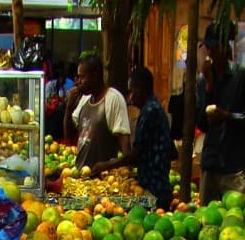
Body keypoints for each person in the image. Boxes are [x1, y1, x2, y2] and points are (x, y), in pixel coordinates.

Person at [195, 21, 245, 203]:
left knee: (234, 220)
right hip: (211, 163)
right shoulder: (203, 81)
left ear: (225, 47)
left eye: (214, 48)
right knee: (207, 220)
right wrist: (208, 87)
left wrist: (228, 116)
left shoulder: (242, 76)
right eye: (207, 48)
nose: (210, 53)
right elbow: (201, 123)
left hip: (234, 165)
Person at [92, 66, 173, 208]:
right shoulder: (153, 108)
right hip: (158, 185)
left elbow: (135, 155)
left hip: (155, 189)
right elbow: (170, 151)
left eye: (131, 91)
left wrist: (106, 165)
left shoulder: (150, 111)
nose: (129, 97)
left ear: (140, 89)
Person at [63, 54, 130, 171]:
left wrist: (126, 171)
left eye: (82, 77)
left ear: (95, 76)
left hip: (104, 180)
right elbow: (68, 135)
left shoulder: (113, 98)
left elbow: (124, 140)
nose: (78, 82)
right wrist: (69, 107)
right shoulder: (84, 100)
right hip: (82, 177)